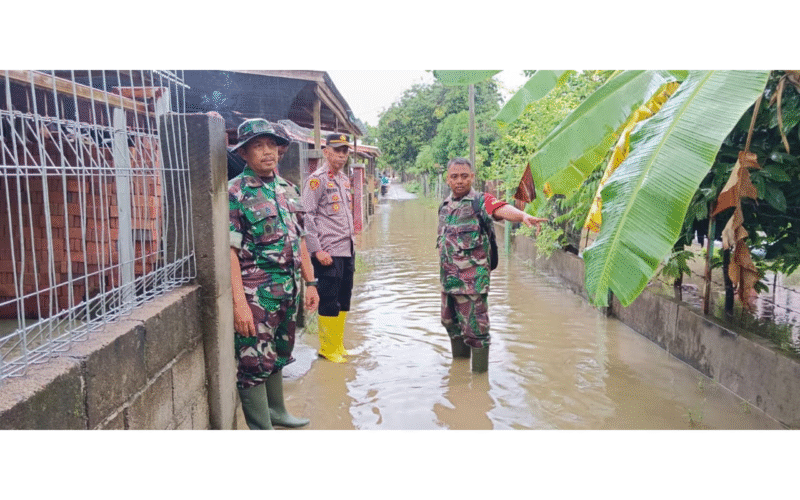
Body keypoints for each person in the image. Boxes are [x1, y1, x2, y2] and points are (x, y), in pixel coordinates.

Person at [229, 118, 319, 429]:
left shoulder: (287, 189)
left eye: (272, 145)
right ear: (244, 153)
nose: (268, 151)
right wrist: (239, 304)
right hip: (256, 295)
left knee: (280, 352)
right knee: (254, 361)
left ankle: (278, 412)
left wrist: (311, 282)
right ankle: (261, 427)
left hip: (288, 290)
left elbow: (300, 240)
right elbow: (229, 251)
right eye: (258, 146)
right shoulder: (235, 192)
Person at [437, 157, 547, 373]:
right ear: (448, 179)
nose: (459, 181)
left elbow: (501, 208)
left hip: (472, 283)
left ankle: (479, 381)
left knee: (477, 331)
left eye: (464, 176)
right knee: (450, 324)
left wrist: (522, 216)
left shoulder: (480, 201)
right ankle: (459, 373)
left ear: (472, 177)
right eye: (454, 177)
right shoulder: (444, 206)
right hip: (448, 282)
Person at [301, 133, 356, 363]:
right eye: (337, 150)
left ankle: (338, 345)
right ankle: (327, 348)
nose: (342, 155)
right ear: (326, 152)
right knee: (329, 299)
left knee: (343, 298)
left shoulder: (343, 179)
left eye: (345, 151)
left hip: (346, 249)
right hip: (328, 251)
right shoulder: (317, 180)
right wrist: (317, 250)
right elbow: (307, 215)